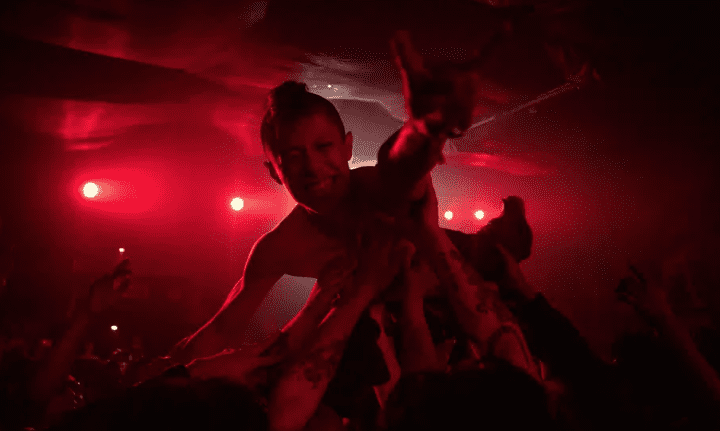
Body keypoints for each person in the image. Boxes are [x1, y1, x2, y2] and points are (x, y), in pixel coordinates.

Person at [170, 31, 533, 366]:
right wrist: (165, 374)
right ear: (273, 174)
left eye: (324, 147)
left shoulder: (373, 188)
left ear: (348, 147)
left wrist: (423, 129)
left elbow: (397, 168)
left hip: (479, 322)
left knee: (506, 250)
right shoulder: (279, 248)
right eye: (293, 157)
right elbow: (221, 329)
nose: (313, 166)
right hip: (400, 356)